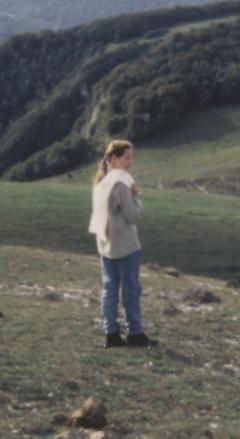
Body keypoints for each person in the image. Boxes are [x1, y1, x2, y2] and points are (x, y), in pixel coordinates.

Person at [88, 140, 157, 348]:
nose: (131, 161)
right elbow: (133, 215)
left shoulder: (101, 182)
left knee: (109, 290)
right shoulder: (121, 183)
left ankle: (111, 335)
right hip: (125, 245)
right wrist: (136, 196)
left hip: (105, 244)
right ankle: (135, 334)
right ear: (114, 158)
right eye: (127, 157)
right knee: (131, 290)